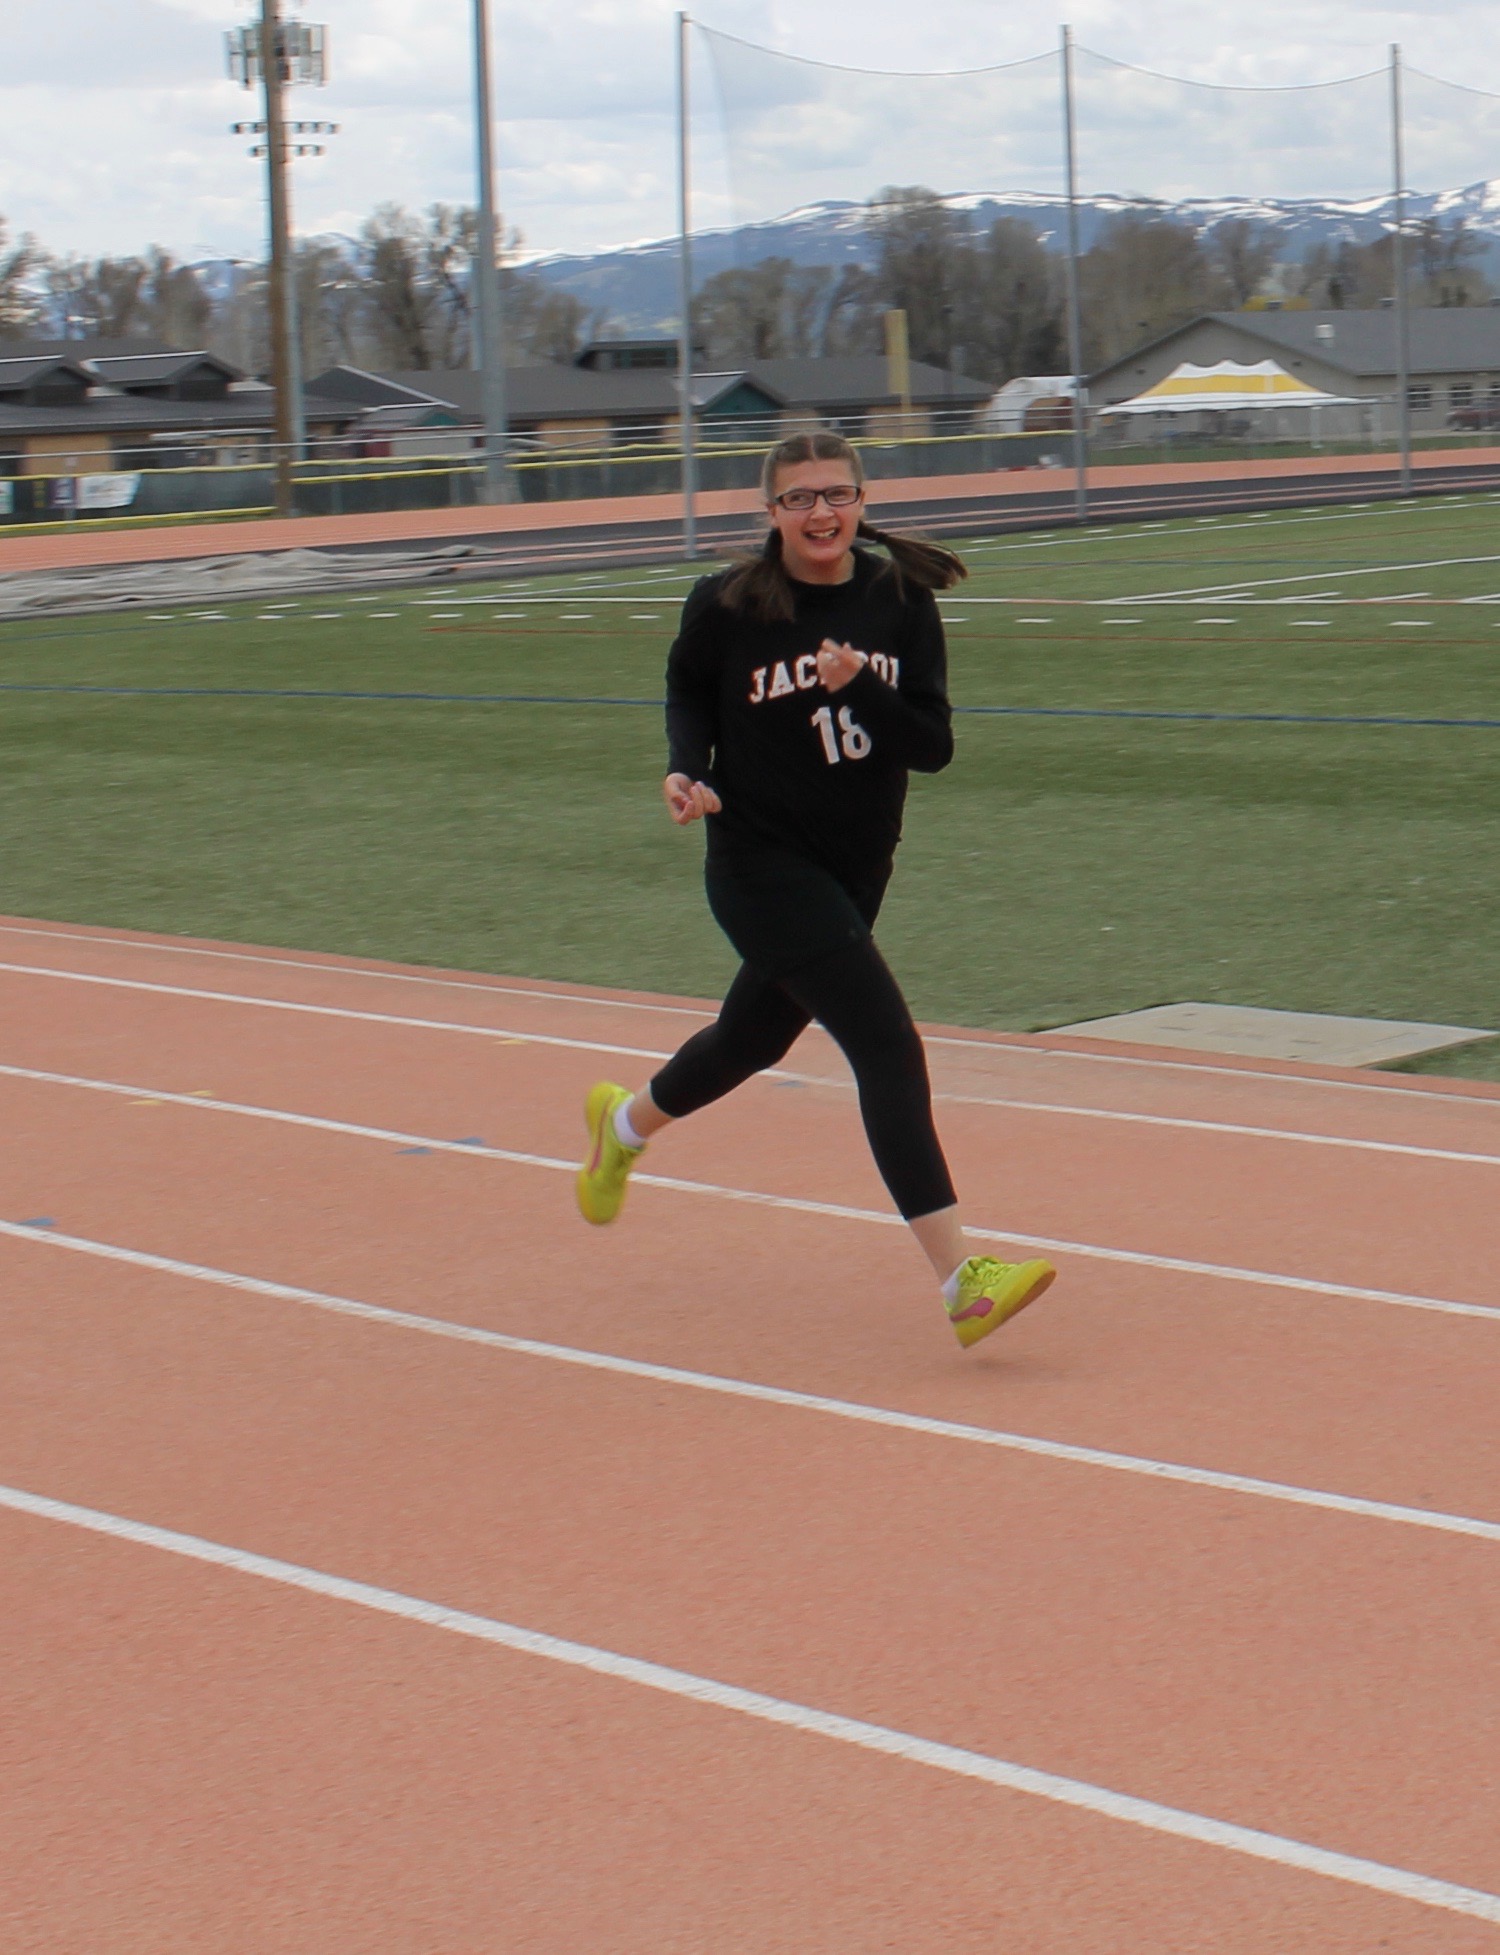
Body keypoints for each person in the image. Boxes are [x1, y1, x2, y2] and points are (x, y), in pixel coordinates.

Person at [575, 431, 1055, 1348]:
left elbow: (934, 746)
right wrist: (686, 768)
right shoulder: (728, 605)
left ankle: (624, 1127)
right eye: (800, 500)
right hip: (757, 865)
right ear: (771, 514)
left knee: (747, 1039)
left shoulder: (898, 599)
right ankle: (963, 1277)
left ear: (863, 501)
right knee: (886, 1044)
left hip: (856, 867)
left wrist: (858, 690)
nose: (822, 513)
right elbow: (686, 689)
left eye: (837, 494)